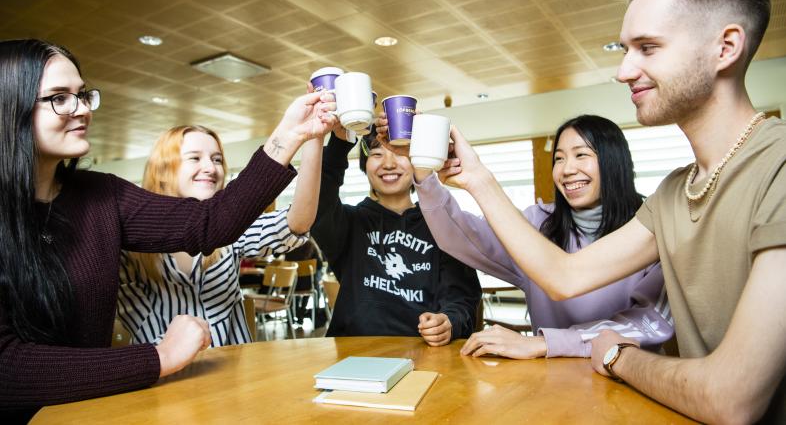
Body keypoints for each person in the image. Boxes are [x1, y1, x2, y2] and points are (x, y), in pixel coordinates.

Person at [428, 0, 785, 423]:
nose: (623, 71)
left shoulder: (776, 166)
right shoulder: (674, 193)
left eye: (648, 47)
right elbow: (565, 276)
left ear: (725, 47)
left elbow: (731, 399)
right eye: (625, 50)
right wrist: (476, 178)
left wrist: (617, 356)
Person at [0, 39, 336, 422]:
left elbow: (209, 223)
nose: (81, 110)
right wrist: (158, 356)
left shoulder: (100, 195)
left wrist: (290, 136)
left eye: (83, 95)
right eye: (60, 97)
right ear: (10, 106)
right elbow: (6, 366)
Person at [398, 115, 672, 359]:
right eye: (559, 158)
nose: (566, 169)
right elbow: (460, 236)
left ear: (614, 162)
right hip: (551, 384)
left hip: (629, 379)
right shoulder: (538, 224)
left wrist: (545, 343)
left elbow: (650, 321)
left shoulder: (647, 228)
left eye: (581, 155)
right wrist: (423, 170)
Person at [117, 125, 323, 346]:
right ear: (163, 172)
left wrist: (314, 137)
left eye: (216, 160)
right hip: (167, 376)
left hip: (236, 374)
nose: (210, 168)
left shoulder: (231, 233)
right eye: (194, 158)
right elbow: (145, 332)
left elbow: (296, 223)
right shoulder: (130, 249)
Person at [310, 124, 481, 346]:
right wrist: (340, 143)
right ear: (365, 164)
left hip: (424, 355)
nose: (388, 164)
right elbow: (317, 202)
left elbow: (461, 296)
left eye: (400, 153)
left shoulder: (442, 224)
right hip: (354, 355)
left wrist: (448, 321)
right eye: (377, 154)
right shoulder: (349, 223)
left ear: (417, 162)